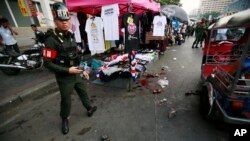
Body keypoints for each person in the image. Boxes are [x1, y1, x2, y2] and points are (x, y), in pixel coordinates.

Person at [43, 2, 97, 135]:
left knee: (82, 91)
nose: (65, 23)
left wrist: (83, 69)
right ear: (55, 21)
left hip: (76, 72)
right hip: (64, 77)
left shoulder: (71, 35)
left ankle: (89, 108)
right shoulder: (51, 40)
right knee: (66, 100)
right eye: (61, 20)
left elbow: (77, 56)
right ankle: (65, 119)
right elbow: (48, 63)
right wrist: (67, 70)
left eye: (66, 20)